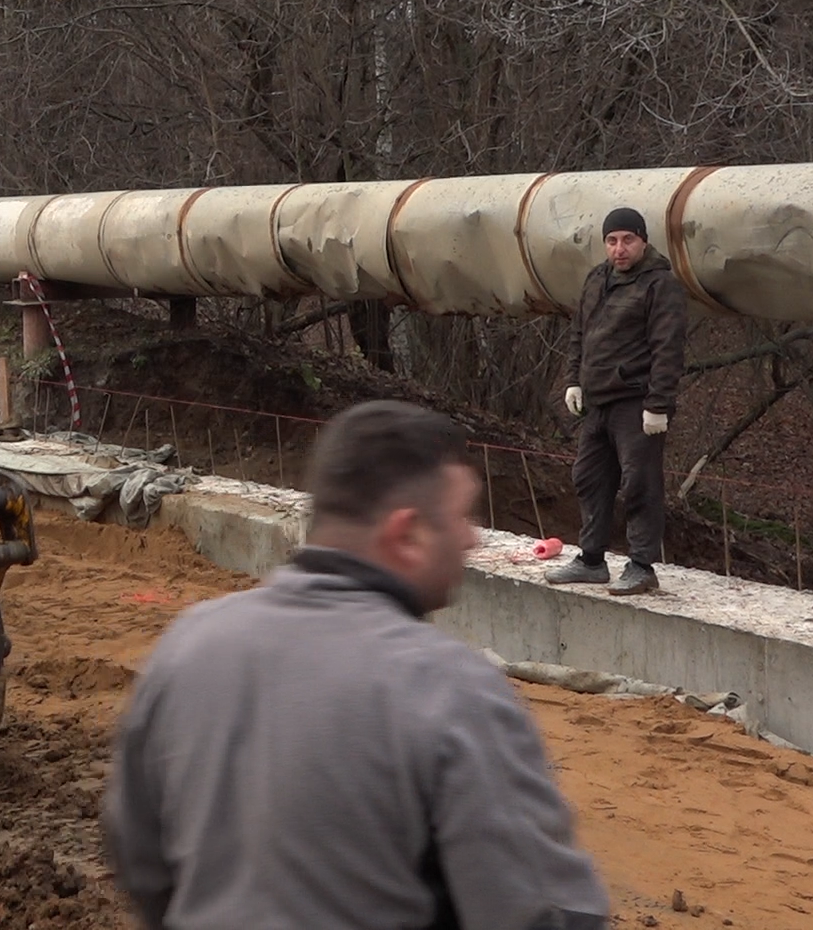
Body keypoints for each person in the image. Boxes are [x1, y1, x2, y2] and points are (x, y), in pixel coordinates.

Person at [103, 400, 610, 930]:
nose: (470, 537)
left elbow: (139, 857)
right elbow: (541, 914)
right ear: (407, 535)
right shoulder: (452, 690)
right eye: (459, 516)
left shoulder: (188, 645)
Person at [547, 206, 688, 596]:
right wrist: (573, 380)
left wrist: (658, 404)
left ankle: (641, 566)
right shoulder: (597, 279)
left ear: (643, 240)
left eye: (628, 239)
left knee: (640, 483)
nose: (619, 248)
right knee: (588, 478)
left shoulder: (661, 286)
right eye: (612, 241)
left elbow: (668, 349)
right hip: (597, 402)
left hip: (636, 402)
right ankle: (591, 559)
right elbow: (579, 333)